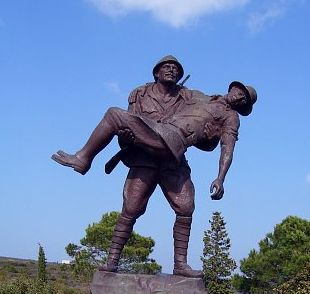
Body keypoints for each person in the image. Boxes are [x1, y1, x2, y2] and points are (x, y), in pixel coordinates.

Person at [52, 56, 257, 277]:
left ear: (243, 105)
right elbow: (172, 105)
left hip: (171, 146)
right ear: (232, 88)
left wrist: (220, 177)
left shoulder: (228, 116)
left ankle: (180, 265)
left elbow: (226, 146)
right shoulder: (196, 95)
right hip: (149, 150)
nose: (238, 96)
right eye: (238, 90)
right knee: (130, 208)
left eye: (243, 97)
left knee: (186, 207)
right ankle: (111, 262)